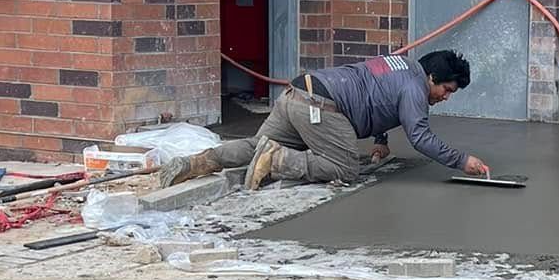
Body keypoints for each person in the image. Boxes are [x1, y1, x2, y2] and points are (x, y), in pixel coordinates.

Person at [160, 49, 491, 189]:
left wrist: (380, 140)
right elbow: (419, 137)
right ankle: (278, 161)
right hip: (322, 107)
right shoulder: (415, 88)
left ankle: (198, 162)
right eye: (447, 89)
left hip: (297, 93)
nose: (446, 96)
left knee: (257, 144)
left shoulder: (402, 65)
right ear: (432, 77)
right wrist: (462, 161)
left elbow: (378, 93)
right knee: (346, 168)